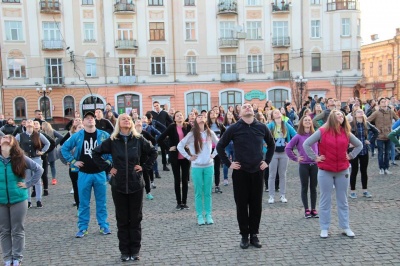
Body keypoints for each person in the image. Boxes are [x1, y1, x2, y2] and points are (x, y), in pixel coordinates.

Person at [93, 114, 157, 262]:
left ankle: (135, 251)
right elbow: (96, 153)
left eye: (129, 119)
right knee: (122, 219)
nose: (127, 120)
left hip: (136, 184)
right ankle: (124, 251)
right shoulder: (113, 140)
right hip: (119, 185)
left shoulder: (139, 139)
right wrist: (108, 168)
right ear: (119, 123)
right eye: (123, 119)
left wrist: (145, 167)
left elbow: (153, 151)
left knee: (135, 219)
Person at [216, 103, 275, 249]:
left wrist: (267, 161)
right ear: (240, 113)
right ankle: (244, 235)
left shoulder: (261, 127)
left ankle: (254, 234)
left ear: (253, 112)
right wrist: (228, 163)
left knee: (256, 205)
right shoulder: (234, 128)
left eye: (249, 106)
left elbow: (272, 144)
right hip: (240, 172)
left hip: (257, 171)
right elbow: (220, 146)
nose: (247, 108)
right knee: (241, 205)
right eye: (244, 107)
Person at [303, 110, 362, 238]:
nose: (340, 116)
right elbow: (306, 144)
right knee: (325, 199)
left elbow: (359, 145)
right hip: (325, 170)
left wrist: (351, 155)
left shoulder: (346, 132)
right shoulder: (322, 132)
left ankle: (345, 227)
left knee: (343, 200)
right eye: (338, 115)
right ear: (332, 118)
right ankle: (324, 228)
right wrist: (315, 157)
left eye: (342, 115)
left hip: (343, 170)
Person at [61, 111, 112, 238]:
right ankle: (83, 228)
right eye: (87, 118)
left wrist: (108, 161)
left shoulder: (104, 135)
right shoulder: (77, 136)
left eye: (92, 118)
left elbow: (113, 149)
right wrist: (73, 161)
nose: (90, 120)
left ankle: (104, 225)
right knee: (84, 203)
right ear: (83, 122)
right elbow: (64, 148)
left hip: (99, 173)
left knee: (101, 202)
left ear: (95, 121)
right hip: (84, 174)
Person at [0, 135, 44, 266]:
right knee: (4, 230)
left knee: (17, 229)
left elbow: (39, 169)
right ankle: (7, 259)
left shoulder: (20, 158)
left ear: (14, 143)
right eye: (3, 137)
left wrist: (28, 184)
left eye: (9, 138)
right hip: (1, 201)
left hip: (18, 199)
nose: (5, 138)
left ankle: (17, 258)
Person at [177, 114, 219, 225]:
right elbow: (179, 146)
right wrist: (189, 157)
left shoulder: (210, 133)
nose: (201, 118)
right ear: (195, 120)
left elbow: (220, 144)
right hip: (196, 167)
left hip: (209, 166)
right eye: (198, 117)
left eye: (202, 116)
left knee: (208, 192)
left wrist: (213, 155)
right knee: (198, 193)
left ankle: (208, 215)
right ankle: (199, 216)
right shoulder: (191, 135)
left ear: (206, 120)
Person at [285, 115, 319, 218]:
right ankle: (306, 209)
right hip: (304, 165)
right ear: (302, 123)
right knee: (305, 187)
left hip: (315, 165)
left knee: (314, 187)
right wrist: (296, 158)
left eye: (309, 120)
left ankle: (313, 208)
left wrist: (320, 156)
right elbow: (288, 148)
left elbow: (321, 146)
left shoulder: (316, 135)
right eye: (305, 120)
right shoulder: (298, 136)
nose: (308, 121)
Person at [157, 111, 191, 210]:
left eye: (181, 115)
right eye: (177, 116)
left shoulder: (188, 127)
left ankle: (184, 202)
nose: (180, 117)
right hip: (175, 156)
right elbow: (160, 139)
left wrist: (190, 145)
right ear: (174, 118)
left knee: (185, 180)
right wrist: (168, 148)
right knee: (177, 180)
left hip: (185, 156)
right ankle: (178, 202)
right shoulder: (171, 127)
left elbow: (193, 138)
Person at [15, 120, 50, 209]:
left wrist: (43, 152)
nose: (30, 123)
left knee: (37, 180)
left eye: (31, 122)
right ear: (25, 125)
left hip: (36, 159)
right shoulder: (20, 135)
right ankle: (28, 201)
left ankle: (38, 200)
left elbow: (48, 143)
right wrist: (19, 153)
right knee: (27, 179)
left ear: (34, 125)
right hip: (25, 160)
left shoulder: (38, 135)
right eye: (28, 122)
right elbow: (14, 144)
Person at [267, 109, 296, 204]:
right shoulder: (270, 126)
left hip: (284, 153)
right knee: (272, 174)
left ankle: (282, 195)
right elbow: (262, 136)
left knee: (283, 175)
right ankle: (271, 196)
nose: (277, 113)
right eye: (275, 112)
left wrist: (290, 144)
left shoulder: (286, 124)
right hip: (273, 153)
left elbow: (295, 135)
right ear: (272, 116)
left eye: (278, 112)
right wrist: (265, 145)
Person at [349, 109, 378, 199]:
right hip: (354, 151)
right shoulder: (351, 125)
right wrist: (349, 143)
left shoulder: (366, 124)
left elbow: (376, 132)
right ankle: (353, 191)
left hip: (364, 150)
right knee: (354, 171)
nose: (360, 113)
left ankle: (365, 190)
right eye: (358, 112)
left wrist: (370, 141)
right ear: (354, 114)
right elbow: (344, 134)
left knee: (364, 171)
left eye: (361, 111)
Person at [367, 98, 398, 174]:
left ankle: (386, 168)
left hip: (389, 135)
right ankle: (381, 168)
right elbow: (367, 120)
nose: (384, 103)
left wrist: (394, 130)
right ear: (379, 104)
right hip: (379, 136)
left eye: (385, 102)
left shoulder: (391, 112)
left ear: (387, 103)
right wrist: (374, 129)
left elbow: (398, 120)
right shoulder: (376, 113)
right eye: (382, 102)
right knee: (380, 153)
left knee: (387, 153)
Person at [59, 123, 84, 209]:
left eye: (83, 127)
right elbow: (61, 150)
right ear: (75, 129)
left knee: (84, 189)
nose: (81, 129)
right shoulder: (72, 139)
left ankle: (84, 206)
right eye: (79, 127)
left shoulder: (87, 139)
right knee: (76, 188)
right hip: (74, 168)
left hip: (86, 169)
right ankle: (79, 206)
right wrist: (67, 162)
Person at [207, 109, 226, 193]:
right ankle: (208, 185)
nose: (213, 114)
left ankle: (217, 185)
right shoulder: (206, 125)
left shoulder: (220, 125)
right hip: (208, 148)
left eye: (214, 113)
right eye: (211, 113)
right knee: (208, 167)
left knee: (217, 167)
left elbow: (226, 133)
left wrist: (222, 141)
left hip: (217, 148)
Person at [151, 101, 173, 171]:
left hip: (163, 134)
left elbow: (170, 122)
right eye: (154, 106)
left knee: (163, 150)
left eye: (157, 105)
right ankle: (152, 167)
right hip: (154, 134)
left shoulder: (164, 113)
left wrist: (168, 130)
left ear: (160, 105)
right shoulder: (152, 113)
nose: (156, 107)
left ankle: (164, 165)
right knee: (153, 150)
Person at [222, 112, 236, 186]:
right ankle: (225, 178)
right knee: (226, 163)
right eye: (228, 114)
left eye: (231, 114)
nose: (230, 115)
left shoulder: (236, 125)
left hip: (235, 146)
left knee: (236, 162)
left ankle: (235, 178)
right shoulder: (224, 126)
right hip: (227, 146)